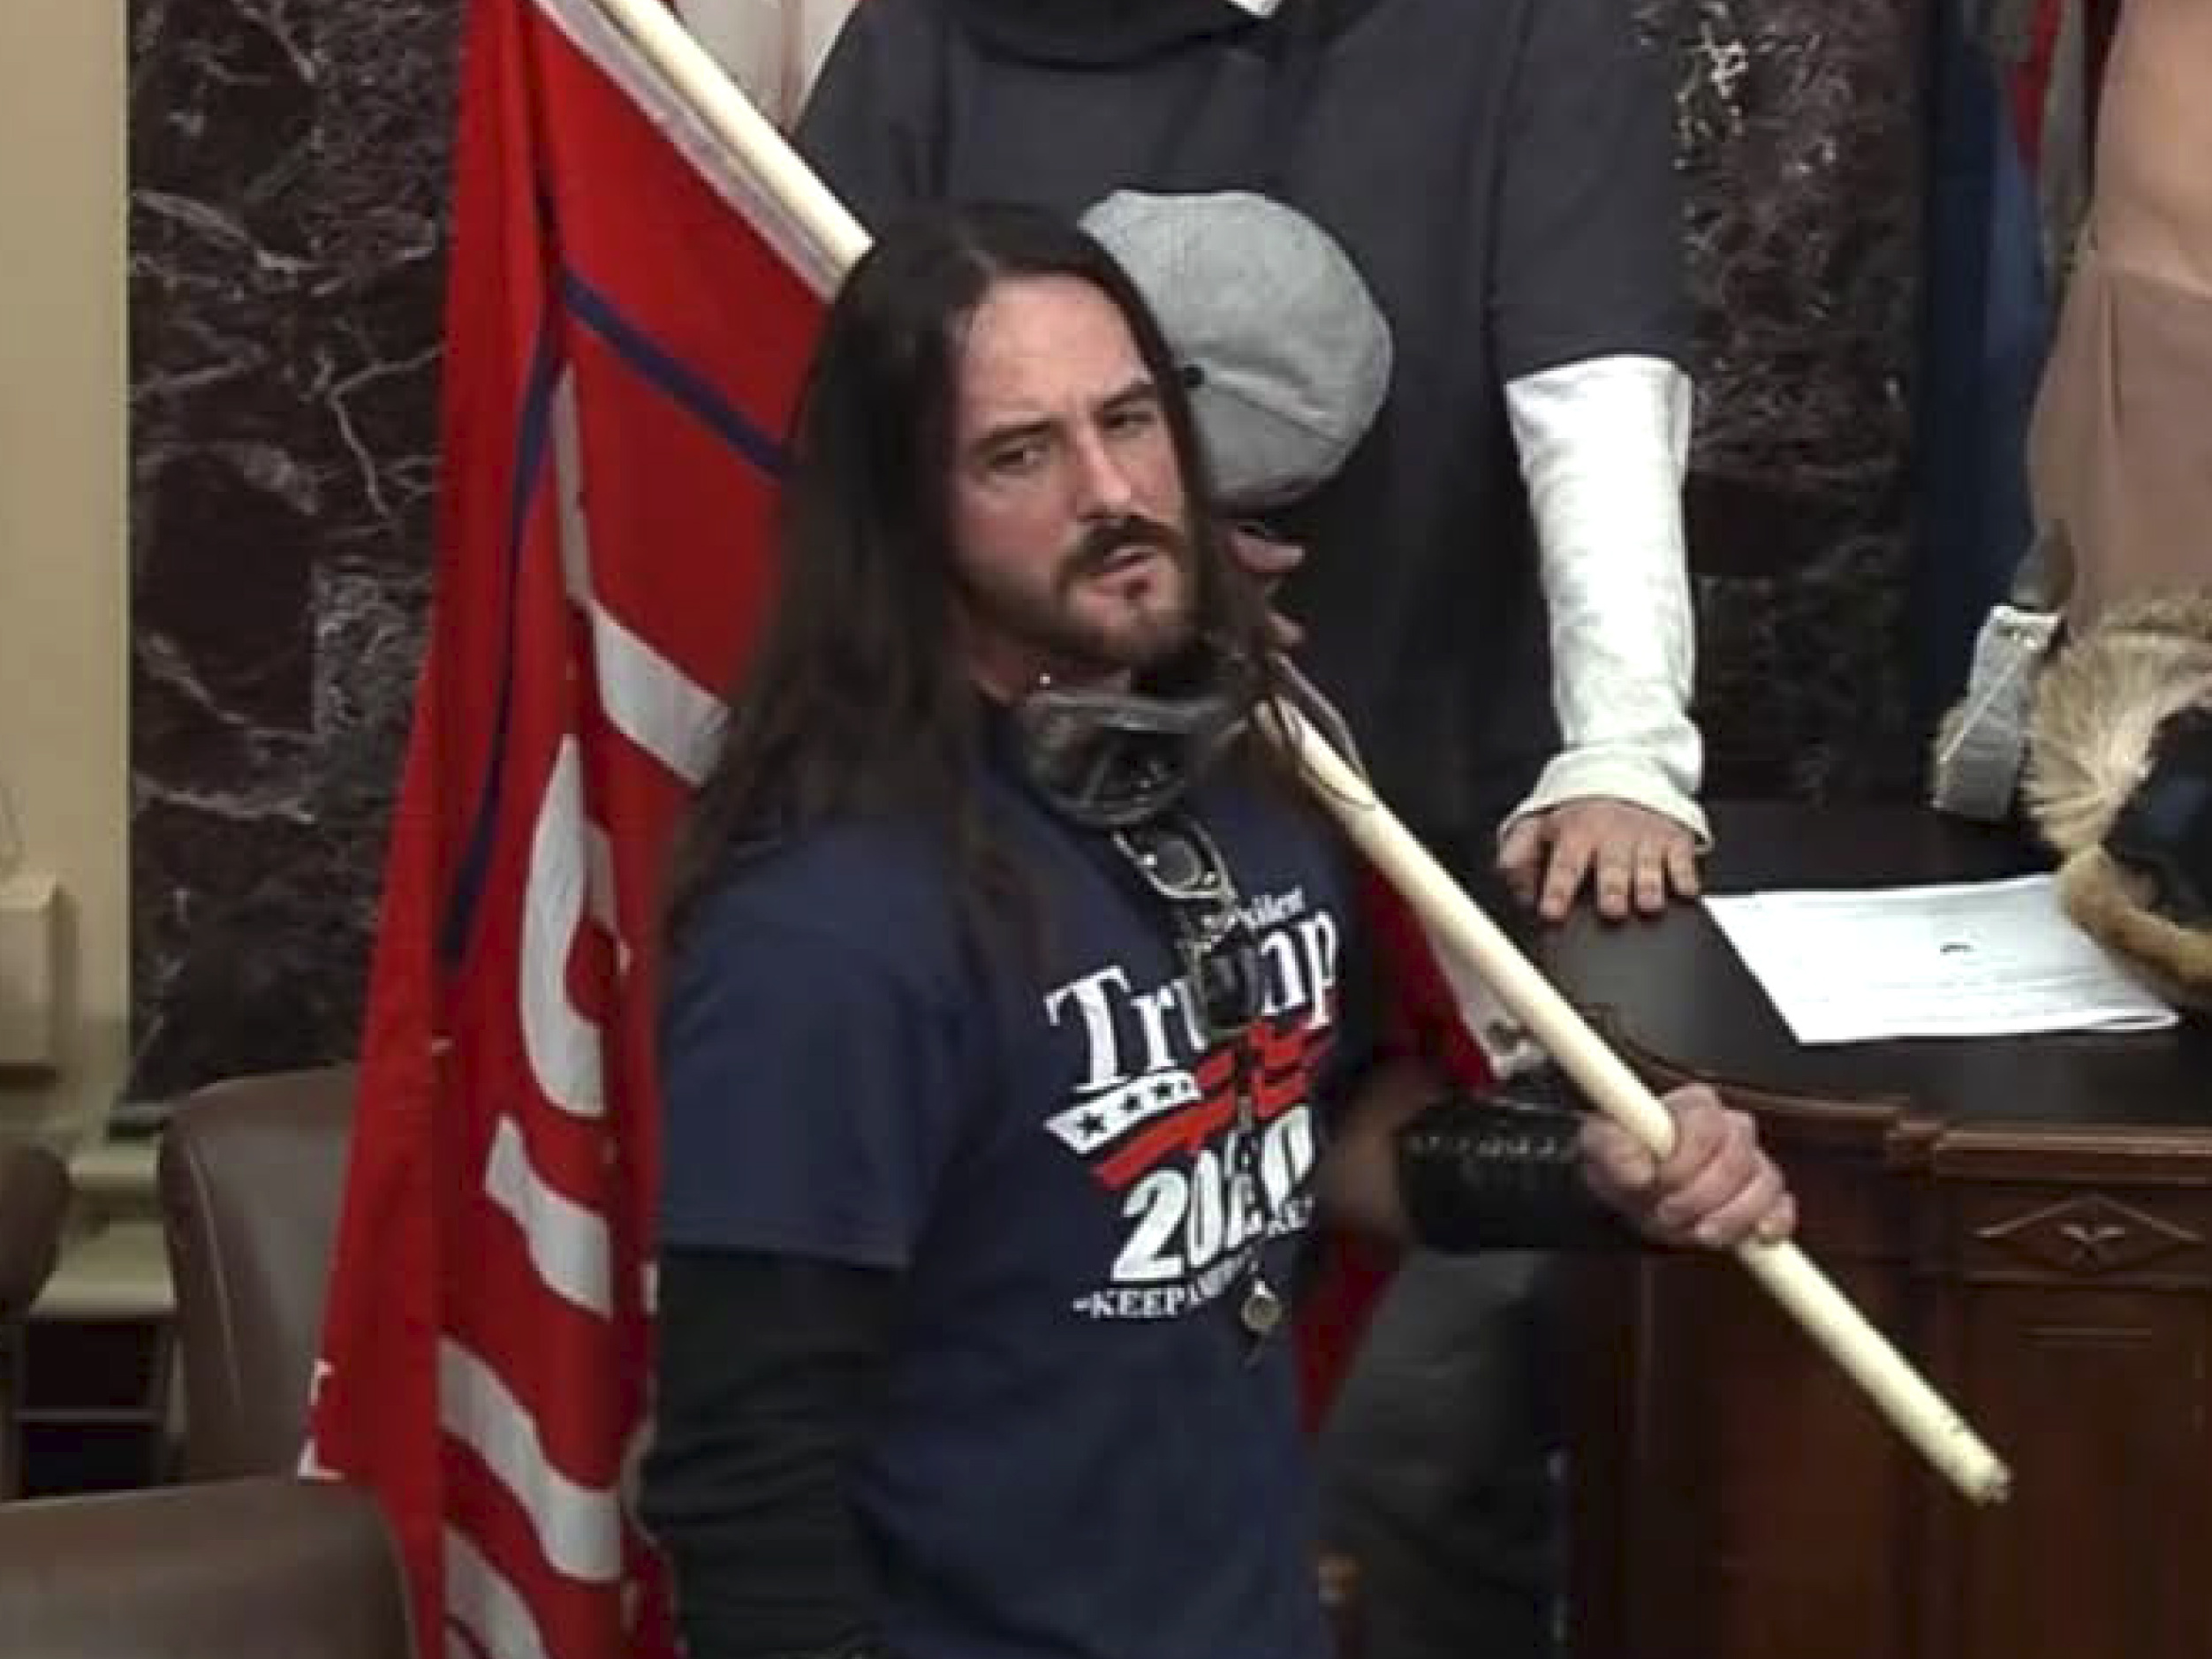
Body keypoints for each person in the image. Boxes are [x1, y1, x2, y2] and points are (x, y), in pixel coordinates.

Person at [639, 202, 1794, 1659]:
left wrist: (1591, 1175)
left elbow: (1318, 1134)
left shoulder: (1248, 772)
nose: (1113, 488)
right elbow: (748, 1476)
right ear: (903, 514)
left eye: (1130, 417)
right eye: (1020, 453)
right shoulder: (825, 930)